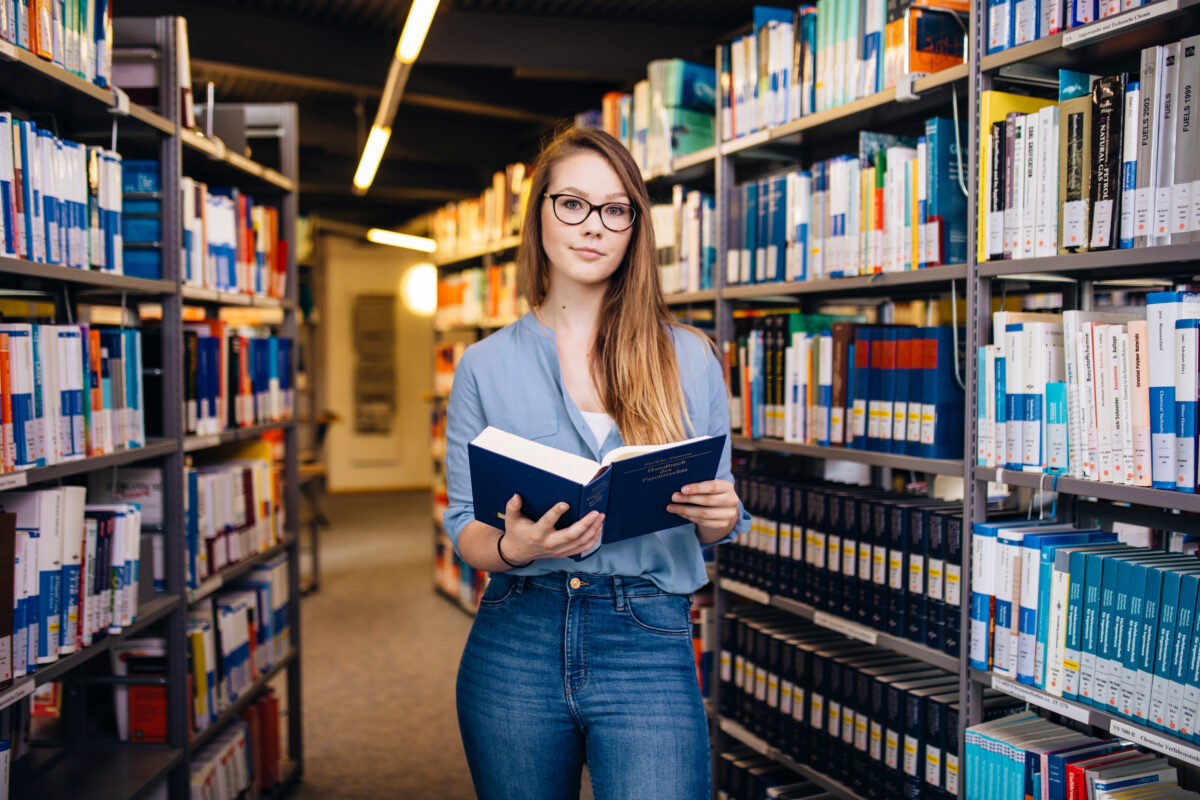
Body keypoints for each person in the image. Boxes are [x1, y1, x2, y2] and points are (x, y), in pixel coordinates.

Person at [442, 125, 749, 800]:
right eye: (572, 204)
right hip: (516, 633)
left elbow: (716, 515)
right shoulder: (483, 365)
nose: (595, 226)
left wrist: (720, 515)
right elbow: (463, 525)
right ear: (540, 214)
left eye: (616, 209)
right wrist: (512, 546)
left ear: (635, 226)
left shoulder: (690, 358)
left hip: (645, 635)